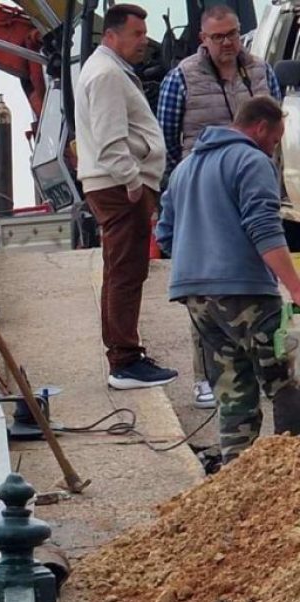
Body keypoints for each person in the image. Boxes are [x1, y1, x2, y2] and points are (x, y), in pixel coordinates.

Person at [156, 96, 300, 464]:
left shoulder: (185, 169)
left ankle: (237, 474)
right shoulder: (253, 160)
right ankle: (291, 475)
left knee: (234, 391)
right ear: (260, 128)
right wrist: (296, 288)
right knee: (285, 384)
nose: (273, 148)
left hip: (196, 296)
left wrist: (201, 261)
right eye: (274, 139)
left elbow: (166, 234)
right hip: (246, 293)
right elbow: (264, 229)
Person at [157, 3, 282, 410]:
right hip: (203, 186)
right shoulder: (181, 79)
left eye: (232, 34)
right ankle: (206, 377)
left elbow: (276, 119)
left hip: (252, 178)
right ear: (202, 40)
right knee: (211, 285)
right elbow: (168, 141)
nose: (228, 43)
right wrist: (185, 190)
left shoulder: (262, 71)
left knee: (248, 275)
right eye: (218, 37)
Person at [75, 3, 176, 390]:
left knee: (124, 271)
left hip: (115, 184)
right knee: (126, 272)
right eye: (137, 34)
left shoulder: (107, 70)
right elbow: (109, 140)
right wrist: (134, 181)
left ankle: (125, 355)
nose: (144, 41)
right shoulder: (106, 75)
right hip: (118, 187)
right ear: (112, 35)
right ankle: (124, 361)